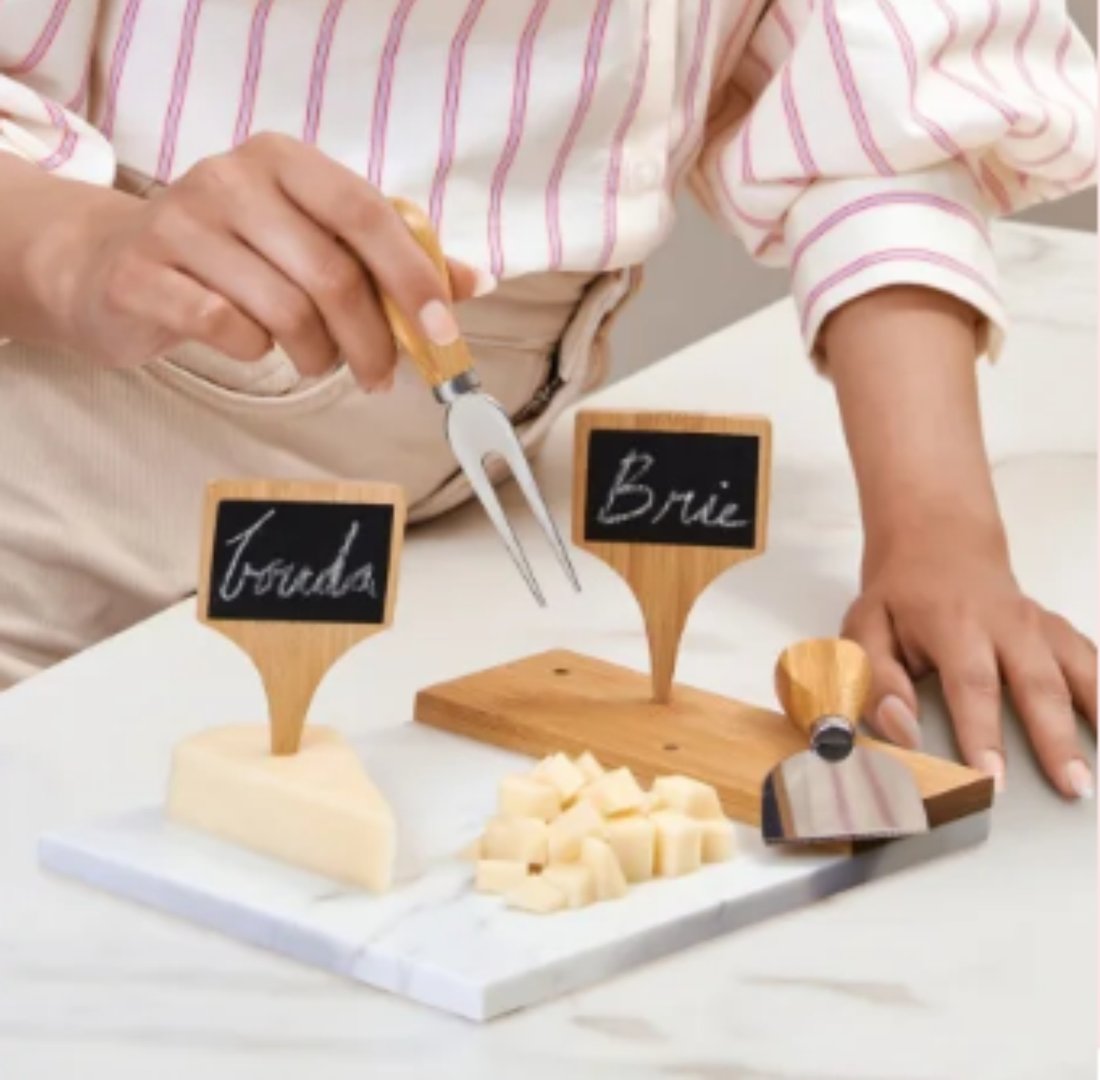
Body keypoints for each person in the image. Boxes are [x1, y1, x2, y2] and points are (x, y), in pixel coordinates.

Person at [0, 1, 1095, 799]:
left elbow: (872, 105)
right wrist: (82, 249)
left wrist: (936, 532)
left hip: (416, 516)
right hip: (70, 445)